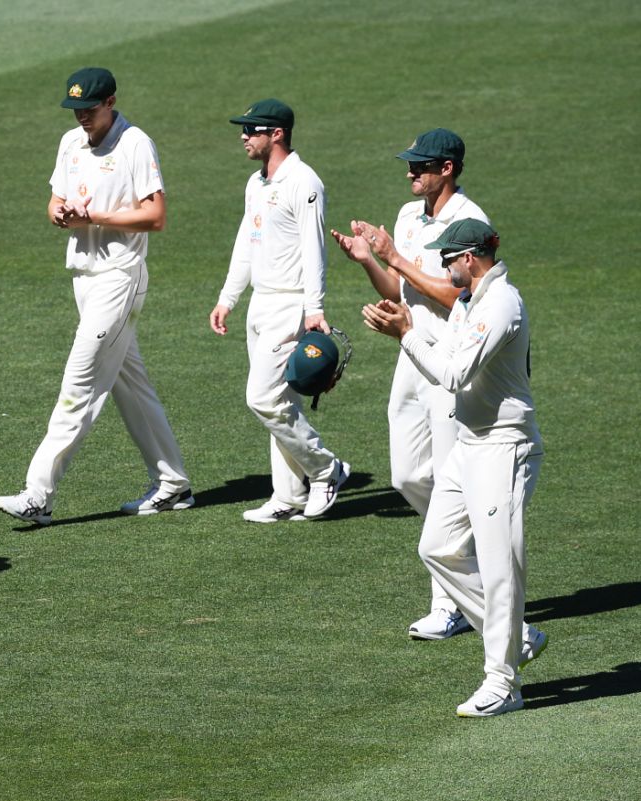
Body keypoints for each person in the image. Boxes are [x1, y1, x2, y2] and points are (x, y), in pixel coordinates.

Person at [363, 219, 546, 717]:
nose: (443, 266)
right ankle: (517, 637)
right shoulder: (468, 303)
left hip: (503, 449)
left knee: (499, 566)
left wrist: (405, 335)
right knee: (437, 547)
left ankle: (503, 683)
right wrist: (407, 325)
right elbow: (445, 353)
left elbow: (453, 373)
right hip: (469, 444)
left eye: (448, 258)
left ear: (471, 258)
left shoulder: (501, 304)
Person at [0, 67, 192, 526]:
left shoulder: (134, 143)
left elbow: (156, 215)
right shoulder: (70, 143)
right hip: (83, 276)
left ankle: (38, 493)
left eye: (90, 108)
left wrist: (95, 217)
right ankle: (173, 484)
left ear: (111, 102)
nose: (82, 116)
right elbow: (54, 202)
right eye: (76, 109)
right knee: (130, 383)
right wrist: (63, 213)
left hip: (120, 277)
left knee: (80, 377)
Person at [331, 129, 487, 640]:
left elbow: (456, 296)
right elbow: (399, 289)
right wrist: (369, 260)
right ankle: (469, 566)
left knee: (445, 479)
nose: (410, 173)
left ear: (447, 169)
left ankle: (451, 602)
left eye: (420, 166)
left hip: (448, 360)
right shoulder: (406, 214)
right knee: (407, 477)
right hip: (410, 353)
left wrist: (395, 256)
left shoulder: (470, 221)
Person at [210, 99, 348, 523]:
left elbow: (314, 249)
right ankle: (287, 496)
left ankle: (327, 469)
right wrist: (228, 297)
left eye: (252, 129)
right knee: (282, 400)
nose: (244, 136)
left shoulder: (303, 182)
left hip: (290, 304)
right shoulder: (257, 183)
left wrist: (314, 309)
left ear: (277, 134)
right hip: (260, 303)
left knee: (263, 397)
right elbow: (245, 243)